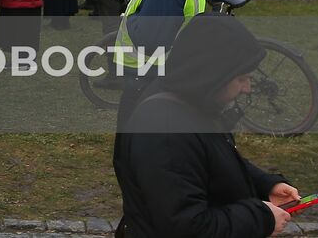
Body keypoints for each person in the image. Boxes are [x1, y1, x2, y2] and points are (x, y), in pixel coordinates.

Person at [114, 14, 300, 238]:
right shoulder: (166, 135)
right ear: (213, 74)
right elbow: (187, 227)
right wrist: (260, 218)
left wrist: (264, 184)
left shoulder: (191, 99)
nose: (248, 89)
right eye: (241, 79)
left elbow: (211, 156)